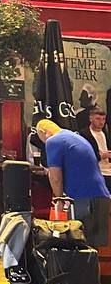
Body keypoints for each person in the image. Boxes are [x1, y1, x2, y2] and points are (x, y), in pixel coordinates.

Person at [36, 117, 111, 248]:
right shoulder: (75, 137)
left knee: (77, 244)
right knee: (93, 249)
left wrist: (58, 199)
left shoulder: (53, 141)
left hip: (83, 198)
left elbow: (55, 176)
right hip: (101, 195)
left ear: (43, 132)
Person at [79, 104, 111, 191]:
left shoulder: (106, 133)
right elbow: (84, 157)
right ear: (91, 119)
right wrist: (101, 156)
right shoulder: (84, 134)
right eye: (98, 119)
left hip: (108, 171)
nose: (101, 122)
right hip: (96, 173)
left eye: (103, 119)